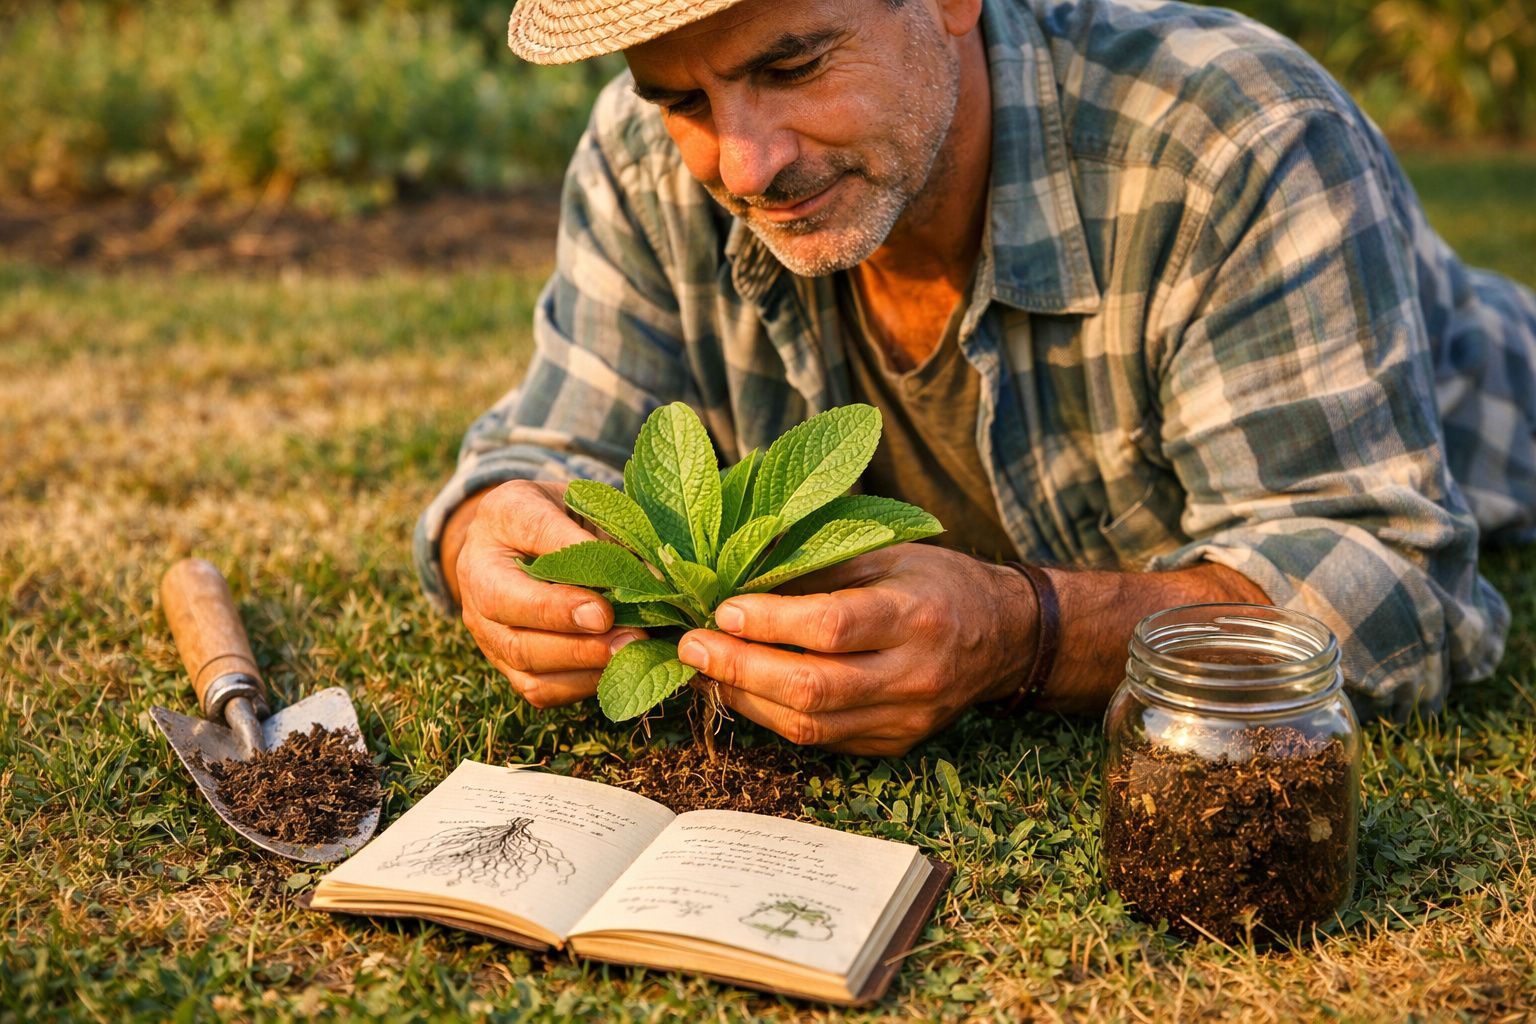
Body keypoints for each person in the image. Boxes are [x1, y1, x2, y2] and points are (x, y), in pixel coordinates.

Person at [415, 0, 1536, 755]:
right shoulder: (639, 156)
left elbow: (1390, 586)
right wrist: (487, 538)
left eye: (794, 65)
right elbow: (548, 448)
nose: (747, 162)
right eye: (688, 101)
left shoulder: (1233, 133)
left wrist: (1021, 631)